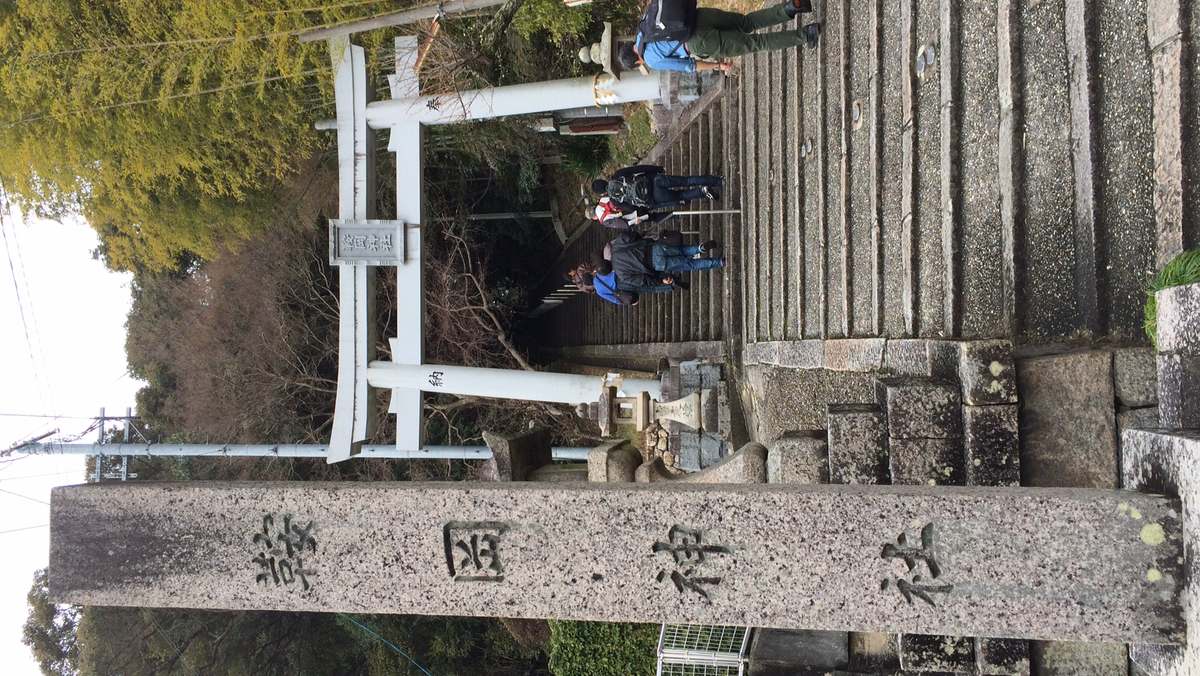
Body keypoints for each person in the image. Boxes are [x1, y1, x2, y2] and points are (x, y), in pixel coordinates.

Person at [618, 0, 820, 74]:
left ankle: (806, 34)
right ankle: (790, 7)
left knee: (757, 43)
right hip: (701, 17)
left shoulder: (652, 60)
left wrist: (717, 65)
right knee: (747, 22)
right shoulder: (644, 24)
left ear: (638, 60)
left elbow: (690, 66)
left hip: (698, 42)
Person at [609, 228, 723, 289]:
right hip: (653, 248)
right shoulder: (616, 247)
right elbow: (628, 236)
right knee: (682, 249)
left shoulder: (622, 275)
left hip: (656, 265)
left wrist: (660, 280)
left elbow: (643, 280)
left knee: (690, 264)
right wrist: (641, 235)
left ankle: (719, 261)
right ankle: (700, 248)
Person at [599, 166, 724, 214]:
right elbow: (639, 169)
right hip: (653, 180)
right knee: (687, 180)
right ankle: (719, 181)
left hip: (654, 198)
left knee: (681, 196)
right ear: (604, 180)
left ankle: (702, 192)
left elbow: (632, 208)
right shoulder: (618, 174)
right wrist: (658, 169)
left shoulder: (615, 201)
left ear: (603, 193)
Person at [587, 259, 680, 306]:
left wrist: (628, 302)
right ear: (591, 274)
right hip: (622, 276)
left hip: (622, 288)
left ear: (590, 285)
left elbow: (614, 299)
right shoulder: (600, 272)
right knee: (647, 276)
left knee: (650, 288)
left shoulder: (599, 291)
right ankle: (668, 277)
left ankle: (672, 285)